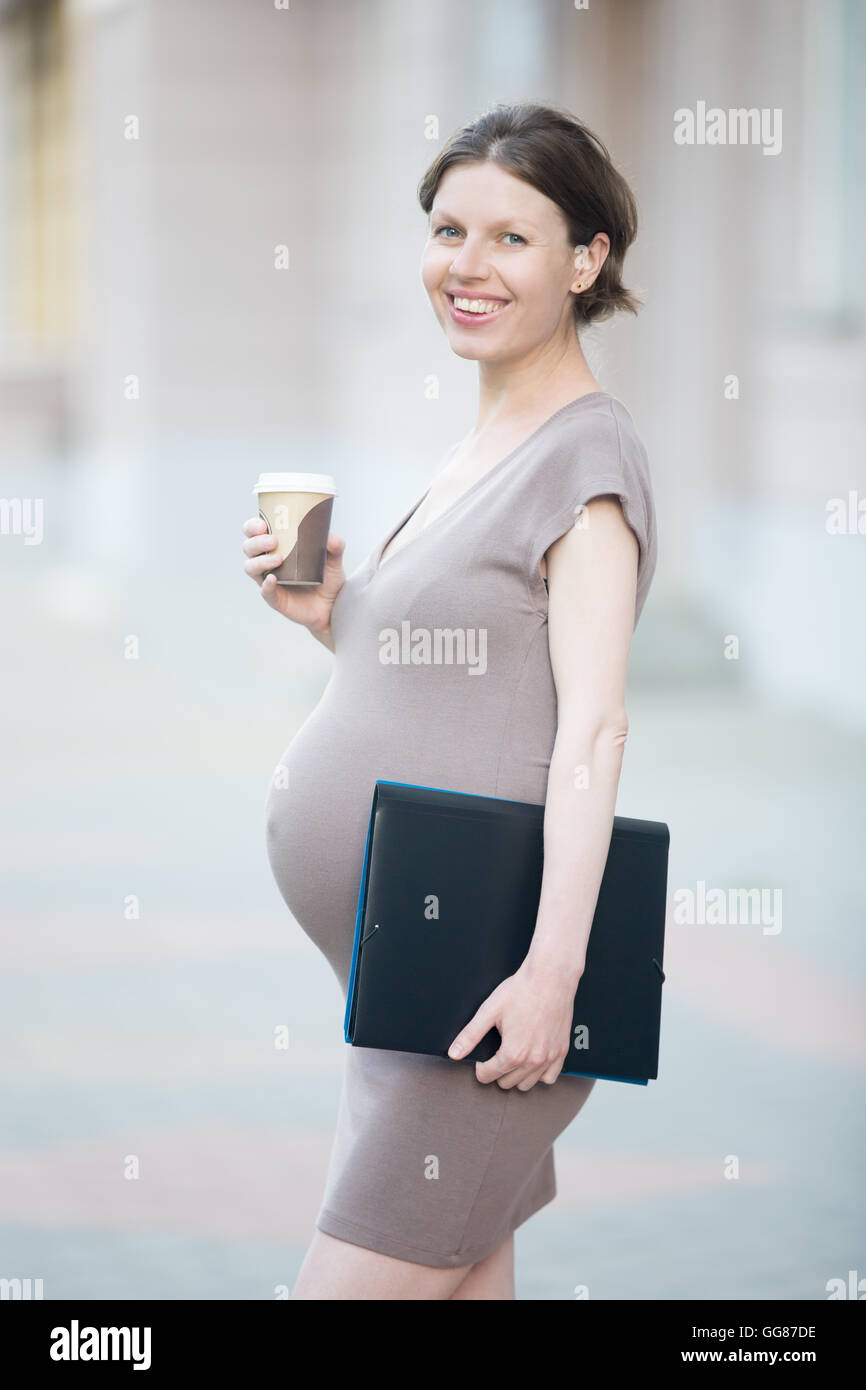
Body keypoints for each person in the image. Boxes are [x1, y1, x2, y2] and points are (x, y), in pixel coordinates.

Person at [242, 102, 658, 1300]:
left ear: (586, 261)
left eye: (510, 240)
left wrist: (550, 978)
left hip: (483, 998)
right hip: (405, 988)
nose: (464, 267)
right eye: (445, 229)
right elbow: (454, 677)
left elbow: (591, 727)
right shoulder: (484, 437)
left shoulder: (585, 459)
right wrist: (329, 615)